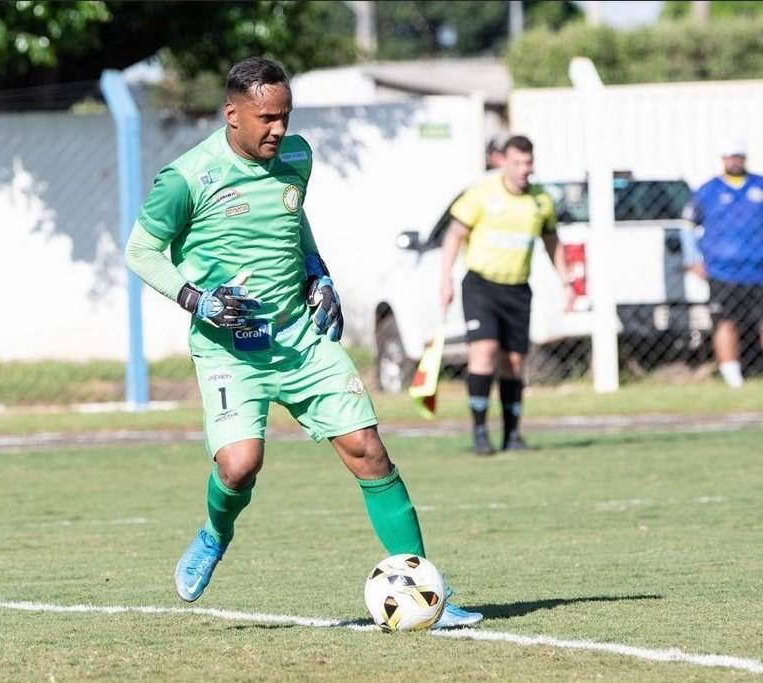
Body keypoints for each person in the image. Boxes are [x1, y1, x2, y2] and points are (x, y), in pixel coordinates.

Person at [124, 57, 483, 628]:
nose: (278, 130)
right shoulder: (187, 177)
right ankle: (215, 534)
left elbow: (294, 220)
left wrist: (319, 271)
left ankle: (425, 593)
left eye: (285, 116)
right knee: (240, 465)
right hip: (229, 347)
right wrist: (196, 299)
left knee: (369, 449)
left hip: (299, 336)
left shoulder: (297, 157)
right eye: (266, 118)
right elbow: (139, 251)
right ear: (232, 114)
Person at [440, 135, 574, 456]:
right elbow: (454, 235)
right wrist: (444, 279)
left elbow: (551, 241)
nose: (523, 169)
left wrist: (566, 282)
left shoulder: (541, 201)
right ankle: (480, 432)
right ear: (503, 162)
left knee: (514, 362)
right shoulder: (483, 193)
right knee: (484, 352)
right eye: (517, 162)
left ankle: (512, 435)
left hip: (517, 289)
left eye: (528, 163)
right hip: (481, 286)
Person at [683, 139, 763, 388]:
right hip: (723, 271)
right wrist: (693, 258)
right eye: (730, 156)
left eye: (738, 156)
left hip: (758, 269)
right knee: (725, 320)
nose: (735, 161)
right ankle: (732, 376)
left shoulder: (758, 185)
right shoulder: (709, 190)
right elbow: (687, 225)